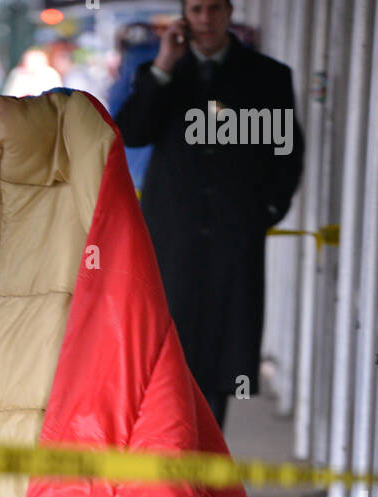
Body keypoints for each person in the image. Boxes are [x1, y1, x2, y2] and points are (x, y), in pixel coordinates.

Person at [114, 0, 304, 429]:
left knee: (228, 346)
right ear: (184, 15)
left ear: (229, 12)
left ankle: (210, 451)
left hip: (235, 232)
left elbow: (286, 151)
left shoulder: (267, 75)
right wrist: (163, 64)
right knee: (167, 343)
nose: (205, 19)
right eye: (196, 9)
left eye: (214, 9)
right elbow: (134, 132)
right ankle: (167, 447)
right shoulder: (161, 73)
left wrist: (267, 209)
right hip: (173, 232)